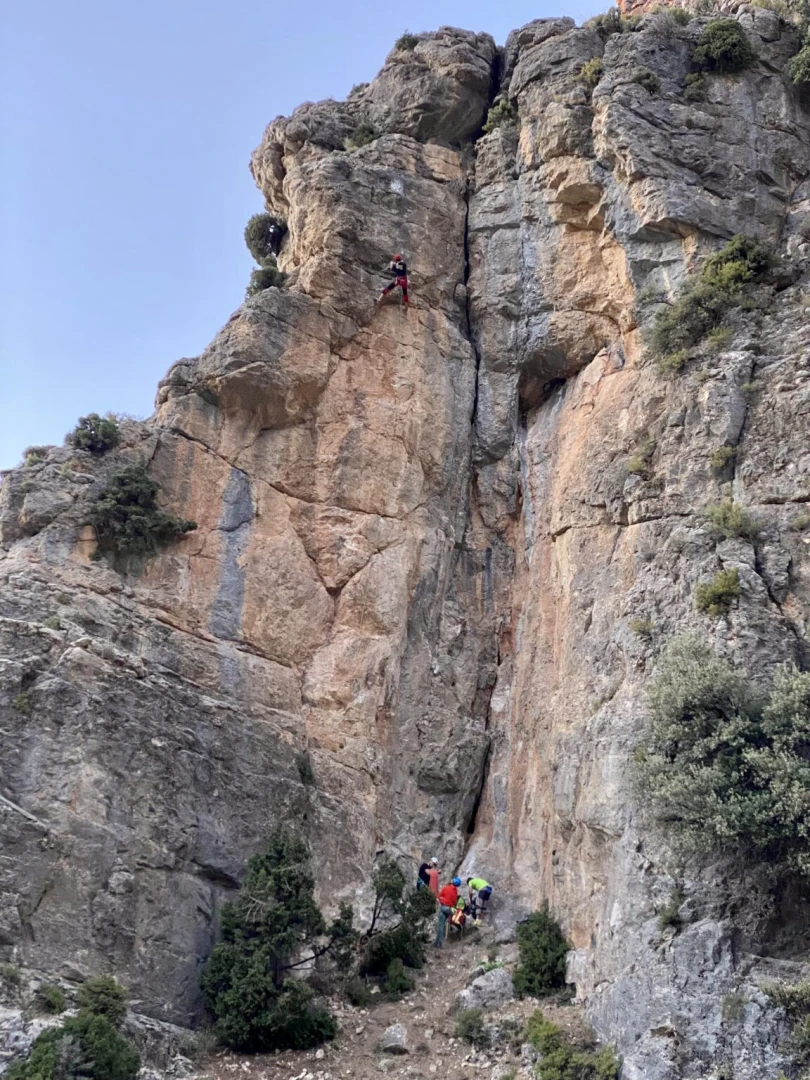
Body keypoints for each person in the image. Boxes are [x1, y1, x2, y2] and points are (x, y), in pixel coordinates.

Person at [434, 877, 461, 948]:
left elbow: (439, 896)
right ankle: (437, 943)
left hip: (444, 907)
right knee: (442, 925)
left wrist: (441, 900)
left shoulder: (446, 888)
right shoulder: (455, 892)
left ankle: (438, 944)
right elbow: (454, 902)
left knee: (441, 925)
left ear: (453, 882)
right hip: (450, 909)